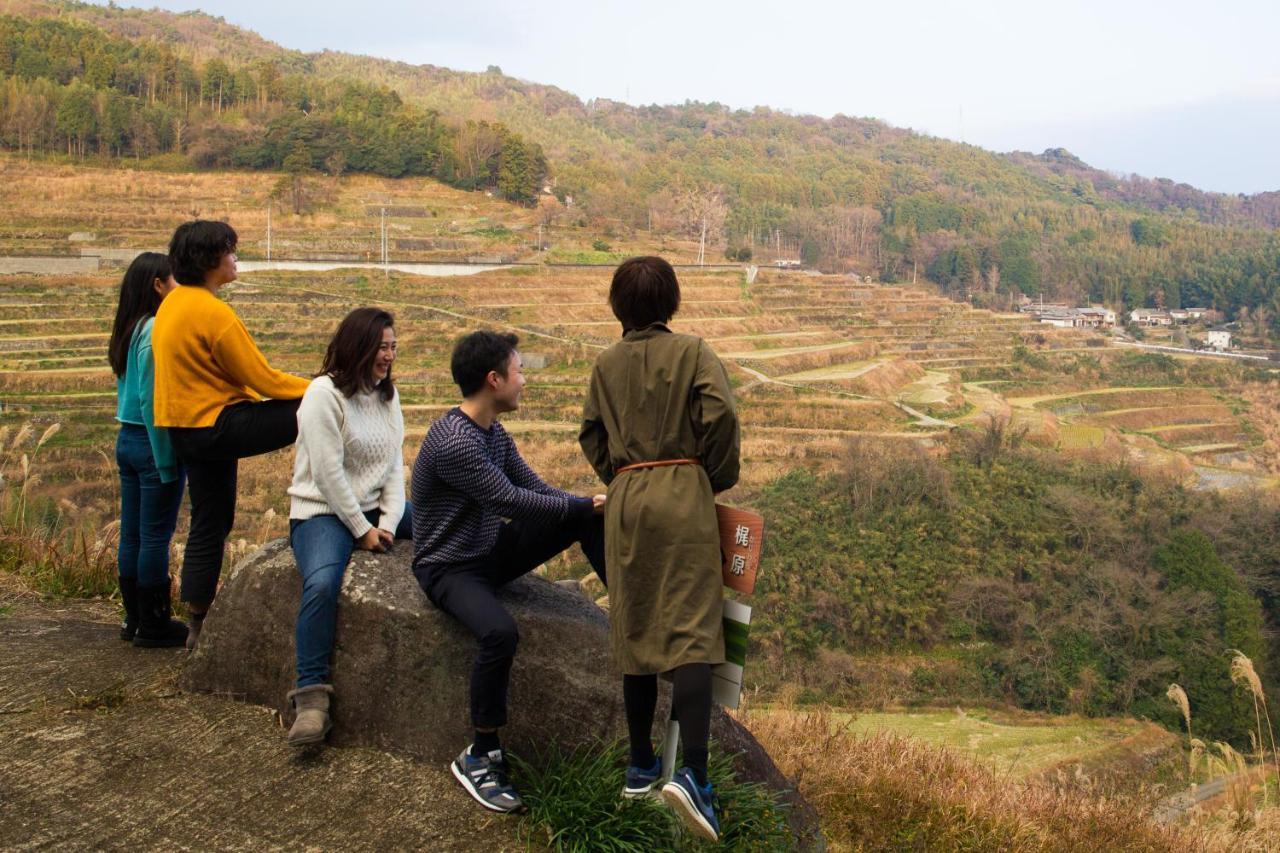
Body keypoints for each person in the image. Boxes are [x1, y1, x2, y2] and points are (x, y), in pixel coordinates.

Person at [579, 256, 740, 843]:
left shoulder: (604, 364)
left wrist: (620, 476)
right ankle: (694, 774)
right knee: (694, 630)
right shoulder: (693, 351)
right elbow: (719, 416)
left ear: (618, 305)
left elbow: (591, 433)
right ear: (670, 301)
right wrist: (709, 477)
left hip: (626, 498)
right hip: (681, 491)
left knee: (637, 623)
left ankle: (640, 765)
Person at [411, 330, 606, 814]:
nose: (523, 382)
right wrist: (581, 503)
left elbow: (534, 487)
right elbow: (511, 501)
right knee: (500, 632)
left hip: (487, 550)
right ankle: (481, 753)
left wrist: (588, 506)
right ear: (493, 379)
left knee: (584, 515)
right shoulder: (455, 441)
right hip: (450, 567)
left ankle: (631, 611)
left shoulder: (494, 432)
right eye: (518, 372)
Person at [152, 220, 310, 648]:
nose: (235, 258)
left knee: (211, 520)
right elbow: (265, 381)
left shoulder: (173, 304)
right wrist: (324, 387)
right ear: (209, 260)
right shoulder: (212, 312)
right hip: (217, 425)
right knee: (320, 408)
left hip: (183, 429)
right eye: (230, 251)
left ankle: (197, 623)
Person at [284, 307, 410, 746]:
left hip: (376, 508)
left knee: (450, 523)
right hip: (322, 511)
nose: (389, 356)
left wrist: (390, 523)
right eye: (381, 347)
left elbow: (395, 464)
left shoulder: (387, 396)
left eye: (393, 346)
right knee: (321, 584)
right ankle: (311, 699)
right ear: (358, 347)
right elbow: (327, 473)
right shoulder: (323, 395)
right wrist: (361, 530)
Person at [108, 252, 189, 648]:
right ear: (158, 285)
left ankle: (133, 619)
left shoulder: (128, 326)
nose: (178, 287)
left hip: (126, 439)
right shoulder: (155, 329)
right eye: (173, 280)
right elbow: (151, 401)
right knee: (156, 535)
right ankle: (154, 624)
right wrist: (166, 457)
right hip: (150, 440)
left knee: (133, 535)